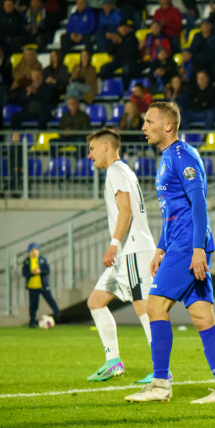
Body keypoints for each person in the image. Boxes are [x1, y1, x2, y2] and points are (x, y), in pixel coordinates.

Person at [125, 101, 215, 404]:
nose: (144, 127)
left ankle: (160, 384)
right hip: (178, 243)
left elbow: (198, 204)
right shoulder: (166, 159)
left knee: (154, 306)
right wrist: (161, 247)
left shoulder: (182, 156)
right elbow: (172, 211)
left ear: (168, 126)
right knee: (202, 316)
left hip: (189, 245)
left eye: (149, 121)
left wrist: (197, 248)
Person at [84, 128, 162, 383]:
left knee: (144, 307)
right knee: (96, 301)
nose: (89, 155)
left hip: (133, 251)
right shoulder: (122, 170)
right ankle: (113, 361)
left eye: (92, 149)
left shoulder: (116, 171)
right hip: (127, 253)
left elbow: (126, 211)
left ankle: (162, 369)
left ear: (107, 146)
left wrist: (114, 244)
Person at [22, 242, 60, 328]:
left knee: (50, 300)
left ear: (38, 251)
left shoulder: (43, 260)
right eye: (32, 250)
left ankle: (58, 315)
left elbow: (47, 271)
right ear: (29, 252)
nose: (34, 252)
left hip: (43, 285)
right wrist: (32, 273)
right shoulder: (26, 262)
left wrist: (40, 271)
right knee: (33, 305)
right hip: (32, 287)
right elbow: (24, 273)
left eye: (36, 250)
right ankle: (32, 322)